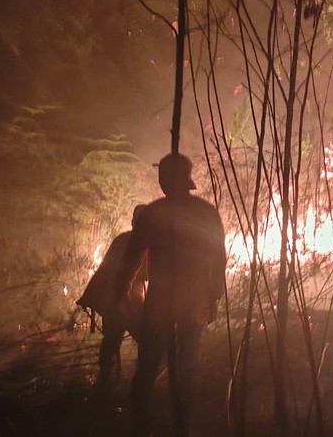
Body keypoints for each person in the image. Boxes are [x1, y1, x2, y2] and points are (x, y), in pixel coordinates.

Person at [117, 153, 227, 437]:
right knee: (184, 364)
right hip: (191, 299)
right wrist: (214, 295)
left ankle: (145, 423)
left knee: (151, 362)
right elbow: (218, 258)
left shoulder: (155, 213)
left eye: (163, 176)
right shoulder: (204, 212)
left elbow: (132, 255)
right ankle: (178, 423)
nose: (161, 181)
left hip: (165, 300)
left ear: (168, 179)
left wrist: (122, 286)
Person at [77, 204, 148, 392]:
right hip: (124, 300)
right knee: (144, 339)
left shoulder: (122, 239)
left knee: (112, 339)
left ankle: (106, 380)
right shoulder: (142, 243)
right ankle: (139, 383)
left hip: (114, 301)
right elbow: (143, 273)